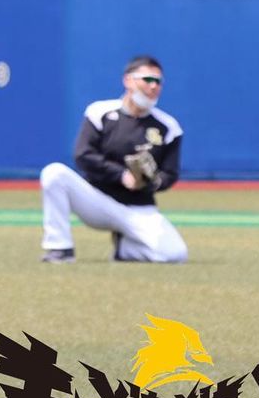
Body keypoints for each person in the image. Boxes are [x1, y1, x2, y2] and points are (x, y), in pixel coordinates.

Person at [39, 55, 187, 263]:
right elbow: (83, 155)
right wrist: (122, 176)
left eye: (158, 81)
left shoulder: (168, 127)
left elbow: (169, 174)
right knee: (54, 173)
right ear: (128, 80)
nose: (154, 86)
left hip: (139, 208)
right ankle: (60, 247)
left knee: (175, 254)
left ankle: (125, 249)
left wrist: (150, 181)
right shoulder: (100, 112)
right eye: (147, 79)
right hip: (97, 201)